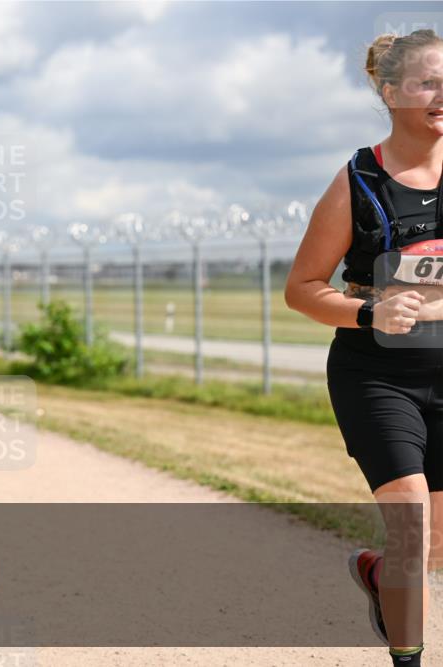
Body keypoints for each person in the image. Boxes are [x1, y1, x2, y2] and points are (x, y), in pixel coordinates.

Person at [285, 30, 443, 667]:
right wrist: (368, 309)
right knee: (410, 520)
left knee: (432, 544)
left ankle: (380, 576)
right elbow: (301, 289)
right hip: (377, 376)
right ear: (390, 92)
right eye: (429, 82)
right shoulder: (359, 179)